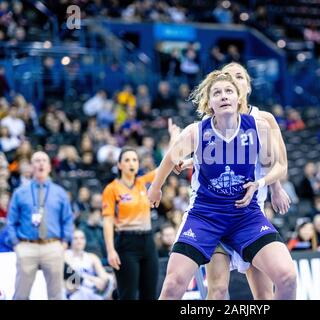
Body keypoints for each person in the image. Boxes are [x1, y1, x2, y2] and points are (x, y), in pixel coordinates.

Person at [148, 71, 297, 300]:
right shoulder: (196, 132)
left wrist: (261, 183)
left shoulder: (257, 127)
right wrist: (156, 187)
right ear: (209, 103)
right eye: (217, 93)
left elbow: (279, 166)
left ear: (238, 98)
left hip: (245, 215)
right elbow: (169, 158)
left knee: (287, 277)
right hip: (205, 216)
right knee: (173, 285)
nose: (224, 96)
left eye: (229, 91)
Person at [102, 119, 180, 300]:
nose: (132, 163)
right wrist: (110, 250)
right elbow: (107, 221)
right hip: (126, 243)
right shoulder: (112, 189)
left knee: (150, 294)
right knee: (128, 295)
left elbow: (165, 165)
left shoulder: (142, 183)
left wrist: (173, 138)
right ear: (119, 165)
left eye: (135, 160)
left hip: (147, 241)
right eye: (127, 160)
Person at [6, 151, 74, 300]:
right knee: (20, 295)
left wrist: (64, 243)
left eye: (44, 160)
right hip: (26, 247)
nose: (41, 163)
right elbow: (11, 222)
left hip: (53, 247)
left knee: (56, 295)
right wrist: (17, 245)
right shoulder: (20, 193)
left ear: (49, 166)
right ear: (31, 166)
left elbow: (68, 220)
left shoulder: (60, 193)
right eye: (37, 160)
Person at [64, 229, 114, 300]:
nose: (79, 241)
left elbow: (104, 277)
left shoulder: (92, 257)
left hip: (92, 291)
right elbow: (70, 277)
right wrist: (92, 279)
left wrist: (102, 281)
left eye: (82, 238)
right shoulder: (65, 256)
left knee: (111, 279)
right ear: (70, 240)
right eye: (75, 238)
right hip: (74, 292)